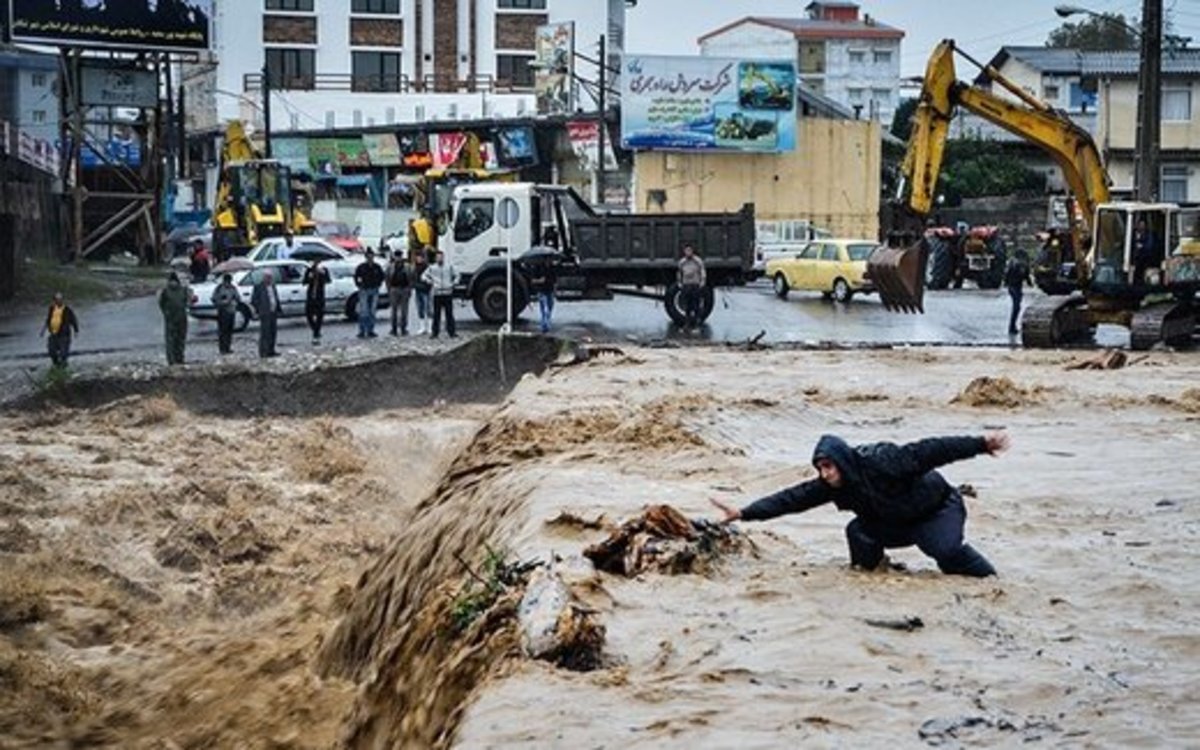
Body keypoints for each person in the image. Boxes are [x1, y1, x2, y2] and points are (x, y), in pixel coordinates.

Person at [711, 432, 1010, 578]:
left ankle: (989, 581)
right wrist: (744, 513)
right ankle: (873, 574)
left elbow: (932, 451)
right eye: (820, 469)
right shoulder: (832, 485)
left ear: (842, 461)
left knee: (943, 550)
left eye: (829, 466)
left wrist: (981, 444)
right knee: (859, 531)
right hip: (896, 523)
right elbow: (792, 499)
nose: (825, 474)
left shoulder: (883, 460)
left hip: (937, 510)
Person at [422, 249, 458, 339]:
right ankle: (435, 332)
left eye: (441, 257)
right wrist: (429, 281)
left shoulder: (449, 267)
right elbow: (423, 276)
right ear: (435, 258)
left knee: (449, 314)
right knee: (436, 314)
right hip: (437, 293)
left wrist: (454, 283)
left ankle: (452, 332)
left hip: (447, 293)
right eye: (438, 257)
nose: (440, 259)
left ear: (443, 258)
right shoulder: (432, 268)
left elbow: (457, 275)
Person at [39, 291, 79, 369]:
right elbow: (48, 319)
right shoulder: (51, 308)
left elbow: (73, 320)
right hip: (54, 334)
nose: (58, 301)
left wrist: (76, 330)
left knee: (63, 353)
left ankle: (63, 366)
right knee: (51, 351)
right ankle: (56, 364)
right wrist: (43, 330)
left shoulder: (67, 309)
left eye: (60, 299)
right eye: (57, 299)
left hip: (64, 334)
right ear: (54, 300)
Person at [158, 272, 189, 365]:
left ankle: (176, 358)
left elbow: (161, 304)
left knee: (176, 339)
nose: (173, 284)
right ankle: (175, 359)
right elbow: (162, 304)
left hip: (176, 317)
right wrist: (166, 313)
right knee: (175, 340)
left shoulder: (179, 290)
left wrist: (166, 313)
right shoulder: (169, 291)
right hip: (175, 317)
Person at [250, 269, 282, 358]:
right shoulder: (258, 287)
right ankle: (263, 352)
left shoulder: (273, 286)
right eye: (267, 277)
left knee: (273, 332)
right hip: (264, 312)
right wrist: (259, 309)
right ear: (264, 278)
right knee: (265, 333)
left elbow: (275, 297)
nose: (269, 279)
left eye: (270, 277)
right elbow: (254, 300)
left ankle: (271, 350)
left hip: (273, 311)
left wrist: (278, 308)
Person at [354, 249, 385, 338]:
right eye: (368, 256)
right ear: (366, 257)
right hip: (364, 290)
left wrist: (378, 284)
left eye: (371, 256)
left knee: (372, 311)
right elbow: (356, 277)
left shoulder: (377, 267)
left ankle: (371, 330)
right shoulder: (361, 267)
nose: (370, 258)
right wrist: (359, 285)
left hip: (374, 289)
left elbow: (381, 277)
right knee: (364, 311)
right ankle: (362, 330)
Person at [677, 244, 707, 329]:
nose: (688, 252)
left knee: (696, 305)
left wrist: (702, 281)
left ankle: (697, 325)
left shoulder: (698, 261)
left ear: (692, 251)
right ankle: (687, 324)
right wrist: (679, 282)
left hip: (695, 285)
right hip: (686, 285)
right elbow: (679, 273)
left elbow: (702, 271)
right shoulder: (682, 262)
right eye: (686, 251)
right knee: (687, 306)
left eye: (689, 250)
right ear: (684, 252)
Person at [211, 272, 241, 355]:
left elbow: (238, 298)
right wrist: (223, 302)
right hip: (223, 311)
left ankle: (228, 347)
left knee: (229, 331)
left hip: (231, 311)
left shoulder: (233, 288)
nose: (228, 283)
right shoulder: (219, 288)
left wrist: (235, 299)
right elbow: (214, 299)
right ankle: (222, 348)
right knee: (223, 331)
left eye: (229, 281)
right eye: (227, 281)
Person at [1004, 249, 1032, 336]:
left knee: (1016, 307)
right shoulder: (1021, 264)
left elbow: (1007, 274)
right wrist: (1029, 282)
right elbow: (1025, 275)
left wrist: (1006, 282)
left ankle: (1012, 327)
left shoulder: (1012, 262)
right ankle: (1012, 327)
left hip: (1012, 287)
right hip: (1015, 287)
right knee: (1016, 307)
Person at [386, 250, 414, 336]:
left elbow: (411, 278)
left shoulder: (407, 267)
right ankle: (393, 329)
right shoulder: (390, 267)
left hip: (404, 289)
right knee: (393, 311)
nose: (398, 258)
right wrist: (389, 289)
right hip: (394, 289)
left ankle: (403, 328)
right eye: (397, 256)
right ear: (394, 257)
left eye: (400, 256)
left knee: (404, 311)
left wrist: (410, 289)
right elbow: (387, 278)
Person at [303, 259, 330, 344]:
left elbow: (328, 280)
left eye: (317, 261)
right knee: (308, 314)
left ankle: (316, 333)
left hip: (320, 296)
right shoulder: (309, 270)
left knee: (320, 315)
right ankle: (315, 329)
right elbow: (304, 282)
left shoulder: (324, 269)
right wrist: (309, 277)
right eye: (314, 261)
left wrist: (323, 274)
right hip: (311, 296)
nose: (316, 263)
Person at [529, 257, 557, 333]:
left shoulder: (552, 268)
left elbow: (555, 281)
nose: (549, 261)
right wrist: (540, 280)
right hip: (542, 291)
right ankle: (544, 325)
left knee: (550, 308)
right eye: (547, 259)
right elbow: (532, 280)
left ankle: (546, 323)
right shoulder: (538, 268)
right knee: (544, 309)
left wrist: (555, 291)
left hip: (550, 290)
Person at [1132, 218, 1160, 286]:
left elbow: (1149, 246)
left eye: (1143, 225)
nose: (1141, 227)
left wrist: (1142, 246)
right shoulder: (1133, 234)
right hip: (1134, 257)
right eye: (1140, 225)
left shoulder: (1149, 235)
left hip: (1145, 257)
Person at [412, 246, 432, 335]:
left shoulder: (427, 267)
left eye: (420, 257)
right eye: (417, 258)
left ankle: (430, 327)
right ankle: (422, 327)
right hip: (418, 290)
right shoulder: (414, 268)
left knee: (428, 308)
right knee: (420, 308)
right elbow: (412, 278)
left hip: (426, 290)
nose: (418, 259)